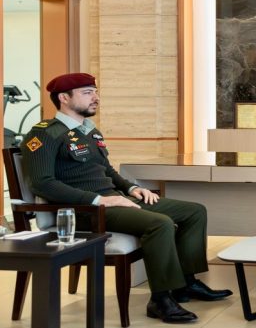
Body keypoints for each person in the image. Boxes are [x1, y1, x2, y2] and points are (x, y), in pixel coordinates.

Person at [21, 73, 233, 324]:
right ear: (63, 98)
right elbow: (42, 183)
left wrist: (132, 189)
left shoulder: (89, 131)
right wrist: (99, 200)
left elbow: (107, 171)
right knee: (160, 223)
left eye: (95, 92)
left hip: (113, 199)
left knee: (194, 211)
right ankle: (160, 299)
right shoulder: (45, 134)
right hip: (84, 211)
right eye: (87, 93)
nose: (96, 98)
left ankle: (185, 284)